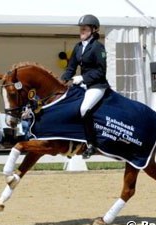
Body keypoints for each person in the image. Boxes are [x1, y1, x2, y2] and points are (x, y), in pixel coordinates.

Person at [61, 14, 110, 159]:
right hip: (83, 85)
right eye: (81, 28)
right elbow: (70, 68)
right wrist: (61, 81)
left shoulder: (98, 47)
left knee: (84, 109)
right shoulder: (78, 47)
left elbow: (101, 71)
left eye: (85, 28)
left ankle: (91, 144)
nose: (81, 31)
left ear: (94, 30)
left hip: (96, 86)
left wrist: (82, 77)